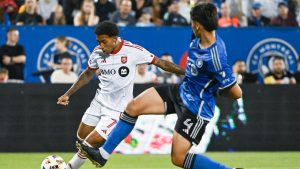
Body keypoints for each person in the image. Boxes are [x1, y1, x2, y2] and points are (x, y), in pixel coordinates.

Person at [78, 3, 242, 169]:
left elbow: (236, 93)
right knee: (133, 107)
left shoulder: (215, 58)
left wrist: (212, 89)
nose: (191, 25)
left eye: (192, 22)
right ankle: (103, 155)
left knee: (178, 158)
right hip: (181, 91)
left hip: (196, 108)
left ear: (198, 25)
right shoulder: (198, 39)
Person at [56, 21, 185, 169]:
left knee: (88, 144)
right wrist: (68, 94)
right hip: (98, 102)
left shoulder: (133, 51)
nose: (101, 46)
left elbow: (161, 63)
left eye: (104, 42)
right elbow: (87, 74)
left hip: (116, 110)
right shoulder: (97, 53)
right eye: (99, 42)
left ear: (114, 38)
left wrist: (186, 73)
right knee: (81, 139)